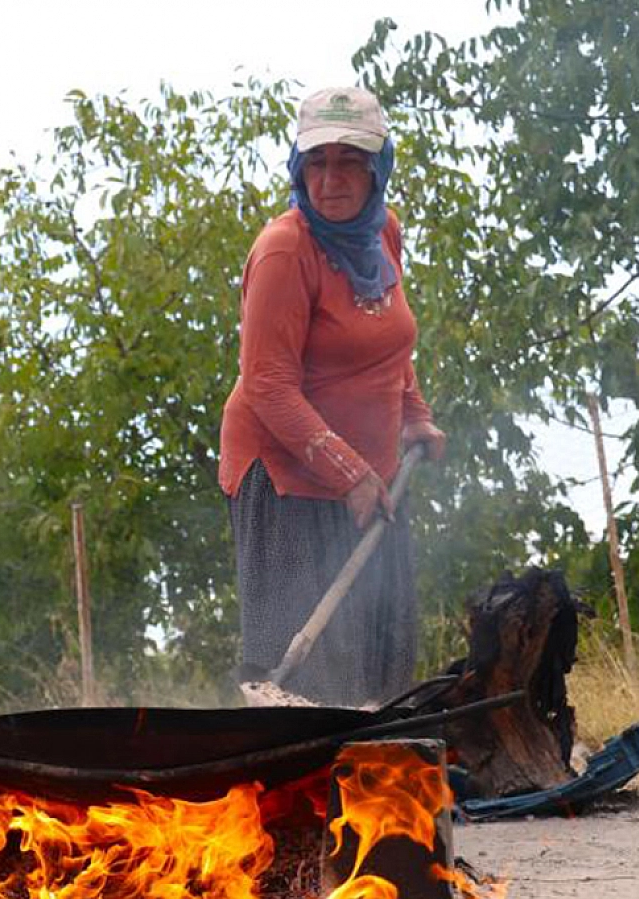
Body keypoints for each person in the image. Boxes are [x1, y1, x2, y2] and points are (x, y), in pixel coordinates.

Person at [218, 86, 447, 709]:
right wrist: (349, 473)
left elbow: (390, 339)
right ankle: (303, 791)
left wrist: (414, 416)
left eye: (349, 161)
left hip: (368, 475)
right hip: (289, 477)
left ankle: (378, 791)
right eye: (316, 162)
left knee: (382, 650)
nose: (331, 179)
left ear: (378, 169)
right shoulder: (285, 251)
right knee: (308, 677)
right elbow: (266, 384)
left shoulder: (383, 235)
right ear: (299, 170)